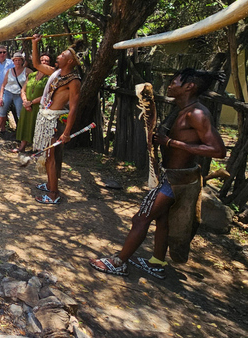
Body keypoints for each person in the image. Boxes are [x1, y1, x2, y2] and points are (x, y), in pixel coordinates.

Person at [90, 69, 226, 278]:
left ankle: (119, 261)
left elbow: (218, 150)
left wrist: (172, 142)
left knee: (141, 218)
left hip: (177, 180)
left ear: (190, 86)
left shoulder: (197, 113)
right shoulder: (183, 110)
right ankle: (156, 263)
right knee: (162, 220)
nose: (170, 85)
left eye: (175, 82)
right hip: (173, 176)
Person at [29, 35, 84, 204]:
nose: (58, 57)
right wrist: (34, 43)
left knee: (51, 157)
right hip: (46, 118)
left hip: (55, 122)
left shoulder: (74, 81)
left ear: (69, 61)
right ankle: (49, 184)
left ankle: (53, 194)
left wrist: (67, 132)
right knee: (47, 156)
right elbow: (37, 64)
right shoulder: (56, 74)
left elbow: (74, 108)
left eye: (62, 55)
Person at [14, 52, 50, 152]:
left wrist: (31, 103)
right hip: (27, 106)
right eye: (42, 60)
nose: (44, 62)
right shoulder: (32, 75)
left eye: (47, 61)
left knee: (37, 127)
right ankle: (22, 147)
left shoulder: (50, 78)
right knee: (25, 124)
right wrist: (25, 102)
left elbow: (47, 94)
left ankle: (37, 149)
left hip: (39, 107)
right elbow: (23, 90)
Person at [0, 51, 30, 134]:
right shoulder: (9, 71)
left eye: (19, 60)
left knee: (20, 114)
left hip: (19, 95)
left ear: (22, 61)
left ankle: (21, 133)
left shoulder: (27, 71)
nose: (18, 62)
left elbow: (36, 76)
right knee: (2, 113)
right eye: (16, 60)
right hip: (8, 93)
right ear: (13, 61)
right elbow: (3, 85)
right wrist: (1, 97)